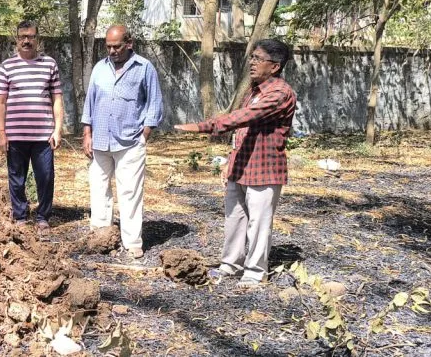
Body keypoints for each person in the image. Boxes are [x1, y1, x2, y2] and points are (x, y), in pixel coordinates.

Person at [175, 39, 297, 287]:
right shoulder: (252, 91)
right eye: (251, 58)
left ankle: (254, 272)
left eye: (258, 59)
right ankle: (230, 265)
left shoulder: (280, 93)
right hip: (241, 165)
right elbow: (241, 131)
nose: (251, 63)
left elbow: (246, 117)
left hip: (265, 169)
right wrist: (229, 160)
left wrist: (205, 127)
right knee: (235, 218)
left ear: (274, 67)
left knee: (259, 223)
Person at [82, 26, 164, 259]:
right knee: (98, 189)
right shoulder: (100, 67)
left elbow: (154, 104)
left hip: (130, 142)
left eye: (117, 46)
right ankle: (100, 234)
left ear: (129, 43)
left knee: (129, 193)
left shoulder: (144, 68)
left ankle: (132, 242)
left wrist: (144, 135)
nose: (112, 50)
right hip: (99, 141)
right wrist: (86, 134)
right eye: (108, 46)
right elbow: (90, 102)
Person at [0, 20, 64, 230]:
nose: (27, 41)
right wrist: (1, 133)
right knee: (16, 179)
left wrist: (58, 129)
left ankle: (43, 216)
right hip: (15, 135)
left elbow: (58, 99)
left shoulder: (49, 64)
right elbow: (0, 102)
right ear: (16, 39)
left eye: (31, 37)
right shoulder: (7, 66)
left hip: (43, 136)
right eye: (22, 37)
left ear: (38, 39)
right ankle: (21, 216)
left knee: (45, 177)